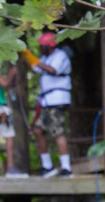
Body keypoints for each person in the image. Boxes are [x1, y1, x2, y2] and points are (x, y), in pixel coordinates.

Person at [21, 32, 73, 178]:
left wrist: (34, 60)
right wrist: (26, 57)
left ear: (50, 46)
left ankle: (66, 168)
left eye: (42, 46)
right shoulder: (46, 58)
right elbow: (35, 67)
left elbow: (52, 70)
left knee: (57, 132)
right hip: (45, 101)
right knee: (38, 130)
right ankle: (47, 166)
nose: (40, 48)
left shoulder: (60, 56)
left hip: (57, 99)